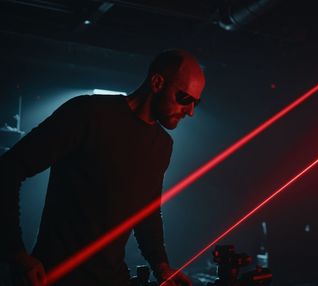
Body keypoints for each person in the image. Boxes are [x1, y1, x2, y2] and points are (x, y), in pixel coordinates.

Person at [0, 49, 205, 286]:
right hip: (58, 277)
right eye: (185, 98)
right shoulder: (88, 113)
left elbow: (147, 212)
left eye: (196, 103)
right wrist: (15, 253)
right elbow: (9, 169)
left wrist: (160, 265)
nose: (190, 111)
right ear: (157, 82)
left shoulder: (162, 145)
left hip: (112, 278)